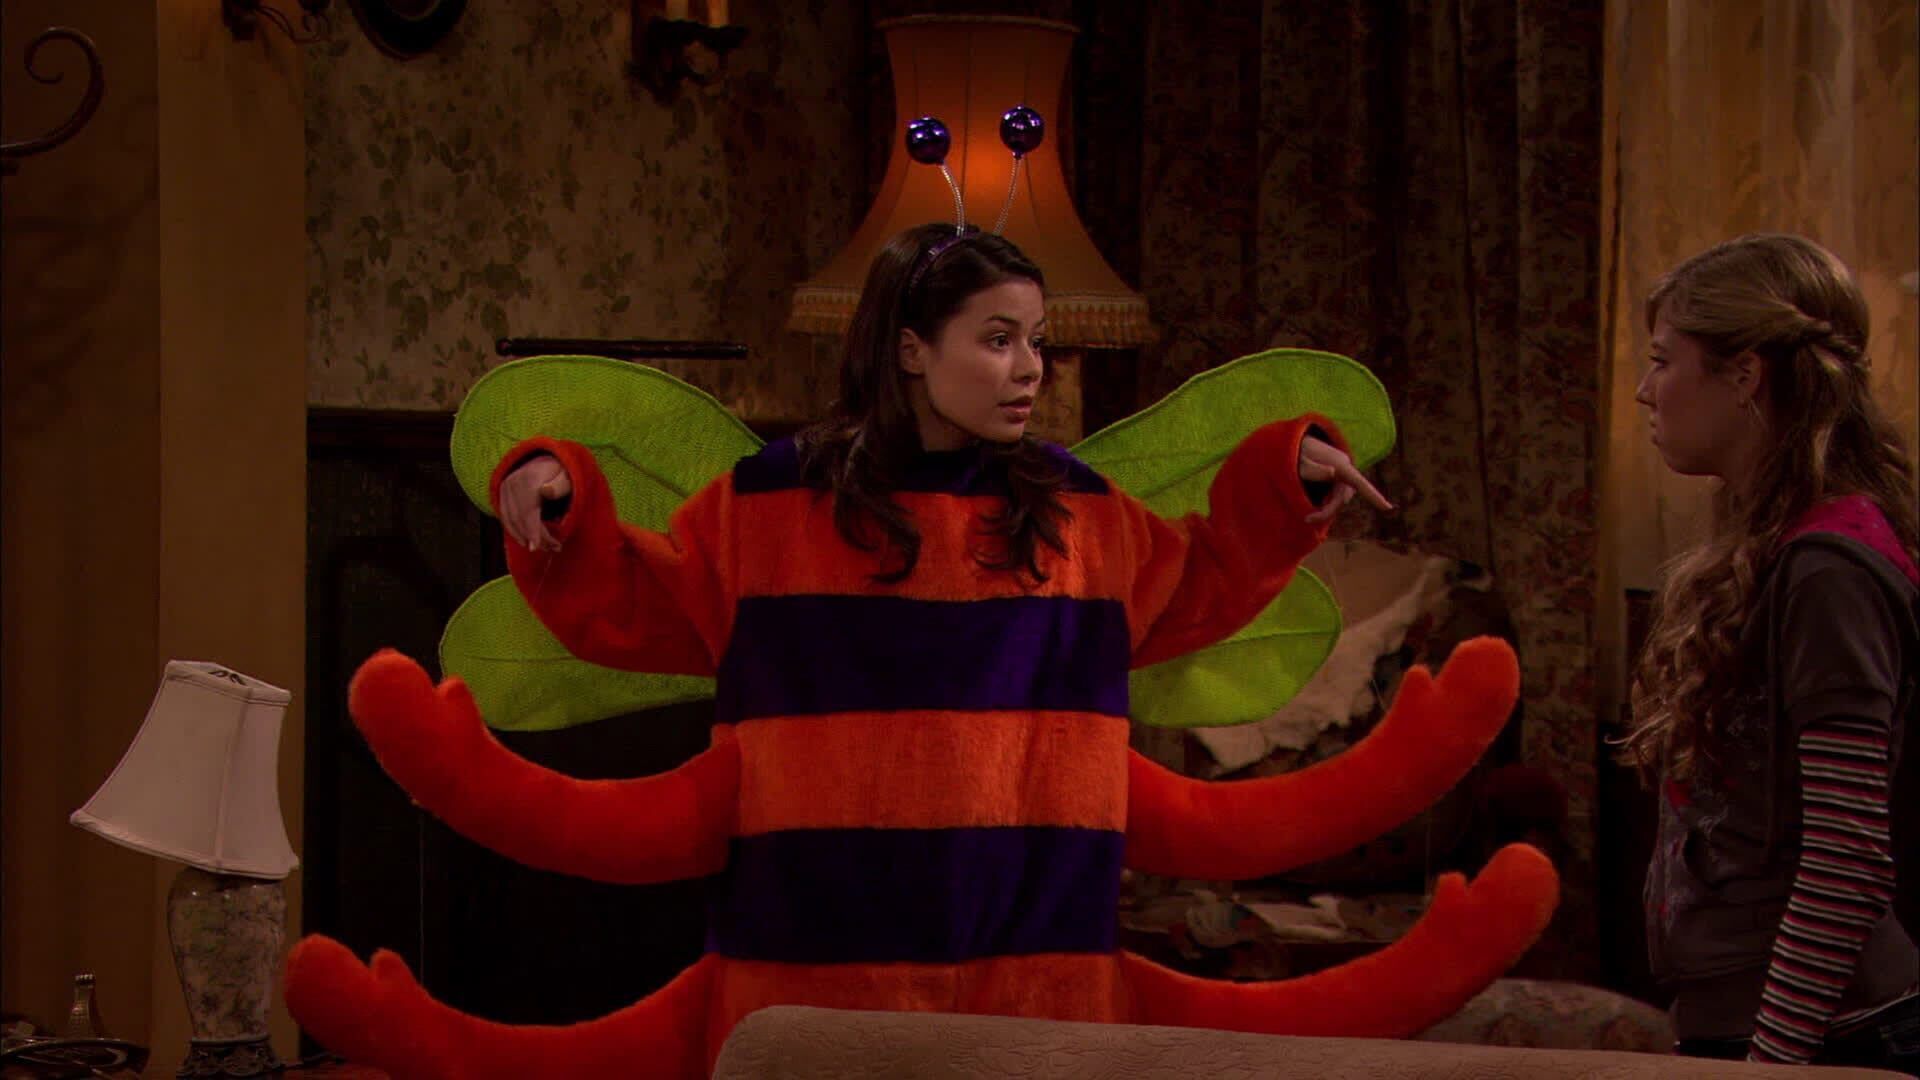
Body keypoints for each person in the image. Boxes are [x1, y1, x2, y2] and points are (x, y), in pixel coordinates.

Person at [284, 221, 1557, 1078]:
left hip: (1040, 995)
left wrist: (1290, 479)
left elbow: (1210, 578)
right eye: (997, 339)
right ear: (909, 348)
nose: (1029, 369)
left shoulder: (1081, 515)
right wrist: (553, 491)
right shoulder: (769, 507)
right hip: (809, 993)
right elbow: (628, 603)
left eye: (1037, 341)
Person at [1622, 233, 1920, 1072]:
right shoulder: (1770, 545)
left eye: (1663, 361)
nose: (1645, 390)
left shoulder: (1828, 568)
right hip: (1758, 1025)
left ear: (1746, 375)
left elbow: (1847, 858)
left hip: (1828, 1038)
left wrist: (1771, 1064)